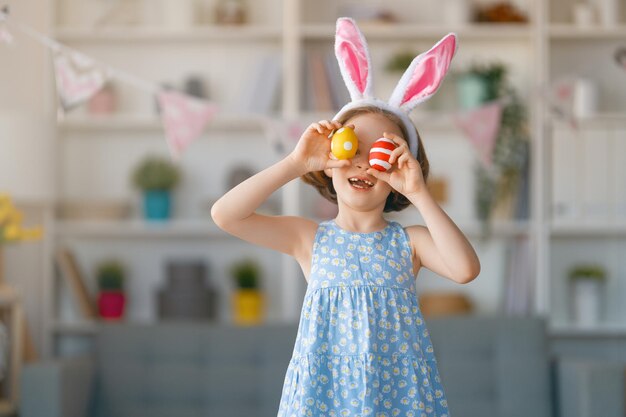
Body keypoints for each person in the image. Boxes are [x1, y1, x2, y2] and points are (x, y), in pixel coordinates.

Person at [211, 17, 480, 417]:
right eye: (352, 148)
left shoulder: (411, 242)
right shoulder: (309, 239)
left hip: (399, 396)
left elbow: (464, 270)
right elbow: (226, 215)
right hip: (325, 397)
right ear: (329, 165)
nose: (364, 164)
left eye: (381, 156)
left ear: (398, 174)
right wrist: (295, 162)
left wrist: (420, 192)